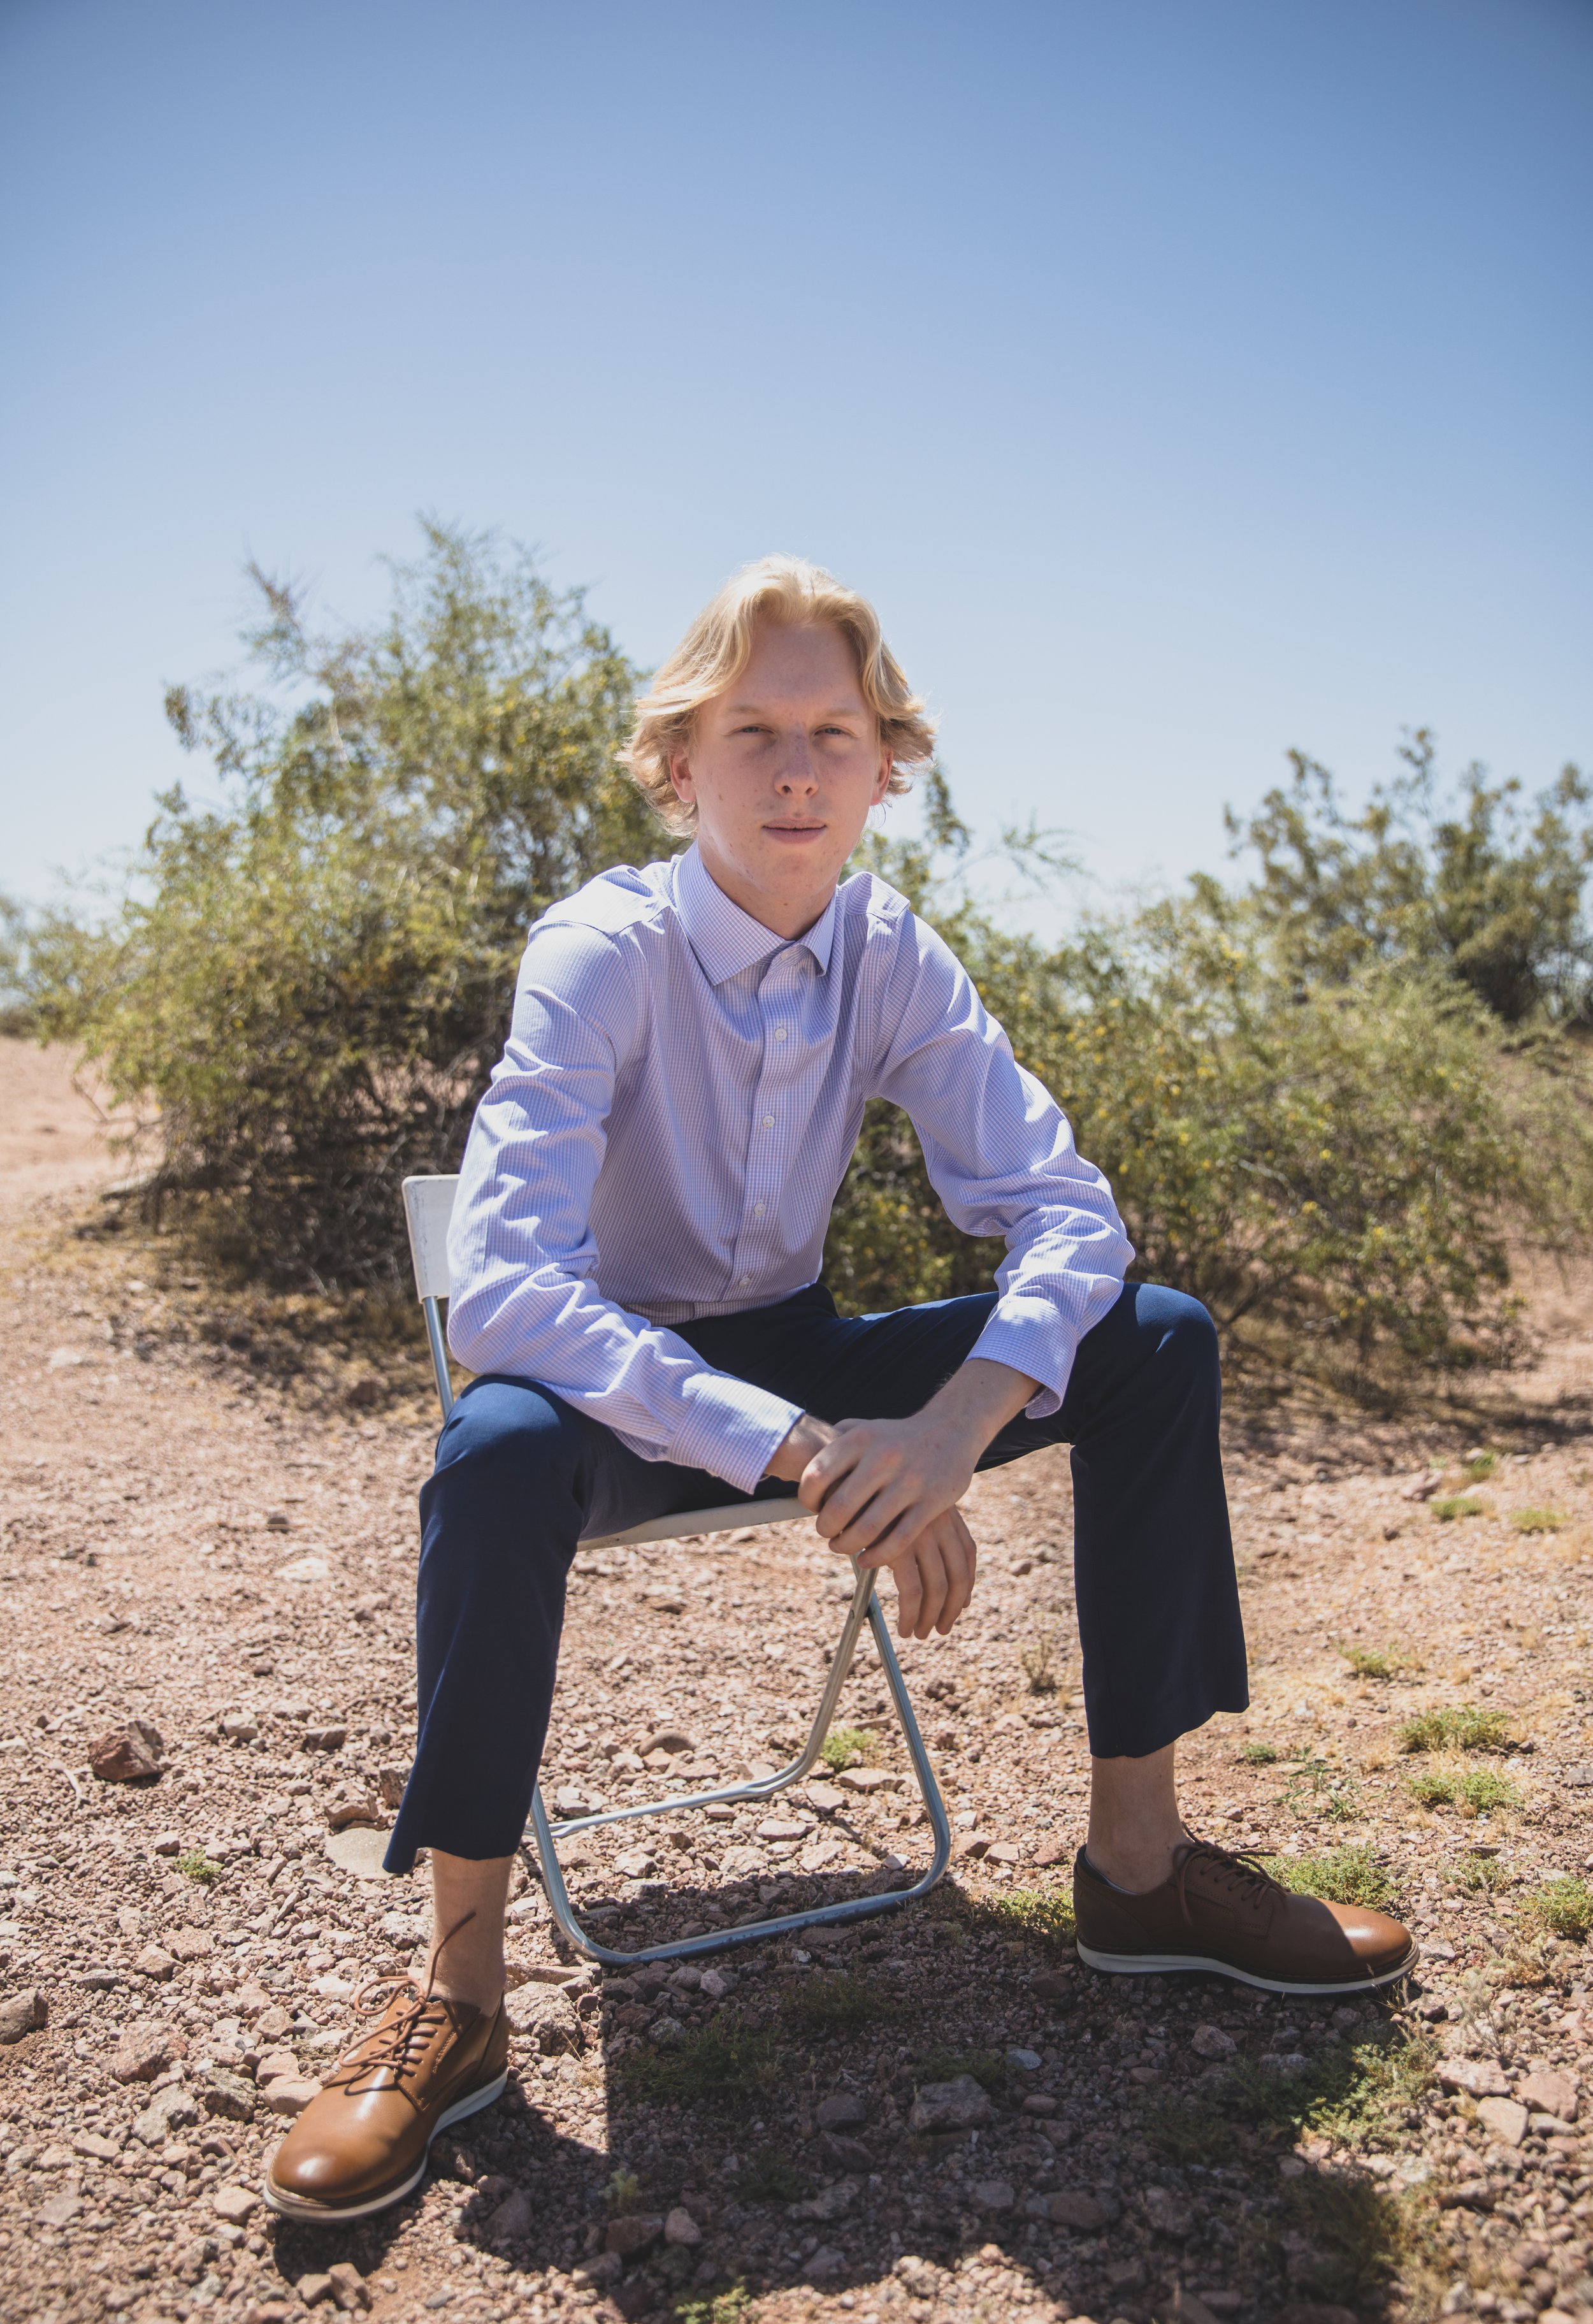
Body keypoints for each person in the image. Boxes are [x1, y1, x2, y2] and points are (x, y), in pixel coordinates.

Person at [263, 556, 1414, 2224]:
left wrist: (949, 1427)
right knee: (493, 1452)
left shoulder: (889, 951)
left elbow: (1063, 1208)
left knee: (1151, 1334)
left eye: (833, 733)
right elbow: (506, 1292)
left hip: (807, 1345)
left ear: (886, 768)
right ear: (680, 763)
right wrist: (797, 1447)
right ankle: (458, 1996)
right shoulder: (601, 949)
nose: (796, 769)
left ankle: (1143, 1875)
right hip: (617, 1393)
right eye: (753, 732)